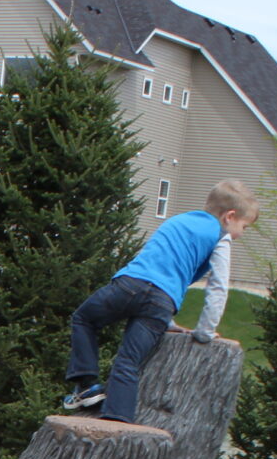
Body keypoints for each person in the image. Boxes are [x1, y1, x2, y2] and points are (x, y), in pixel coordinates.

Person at [61, 180, 261, 423]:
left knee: (85, 318)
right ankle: (118, 419)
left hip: (128, 285)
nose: (242, 233)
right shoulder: (221, 237)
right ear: (230, 216)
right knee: (129, 360)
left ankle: (87, 384)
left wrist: (168, 320)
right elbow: (217, 287)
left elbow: (159, 265)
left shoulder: (178, 221)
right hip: (161, 302)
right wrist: (205, 332)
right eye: (244, 226)